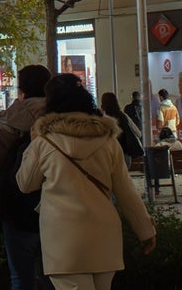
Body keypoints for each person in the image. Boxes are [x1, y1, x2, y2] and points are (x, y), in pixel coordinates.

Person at [17, 75, 155, 290]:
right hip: (104, 237)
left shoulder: (44, 142)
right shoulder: (108, 141)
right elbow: (125, 191)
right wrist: (145, 230)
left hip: (63, 241)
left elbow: (25, 183)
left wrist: (32, 143)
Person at [0, 64, 50, 290]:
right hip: (55, 204)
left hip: (16, 206)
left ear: (21, 91)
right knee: (54, 276)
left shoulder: (10, 121)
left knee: (21, 279)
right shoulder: (61, 117)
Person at [101, 92, 144, 164]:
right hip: (124, 156)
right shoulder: (123, 116)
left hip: (107, 157)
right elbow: (139, 134)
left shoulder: (102, 119)